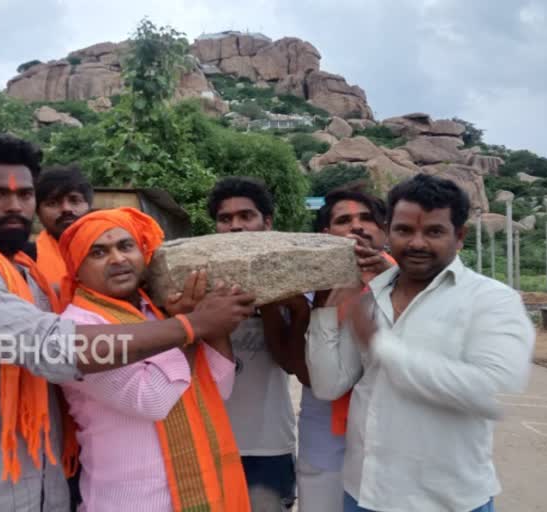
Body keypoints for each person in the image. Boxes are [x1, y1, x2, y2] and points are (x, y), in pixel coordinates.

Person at [0, 135, 255, 512]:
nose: (14, 205)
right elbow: (50, 347)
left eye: (24, 195)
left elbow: (210, 383)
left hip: (45, 482)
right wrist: (191, 326)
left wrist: (195, 325)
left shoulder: (28, 277)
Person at [306, 174, 535, 512]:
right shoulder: (370, 298)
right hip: (364, 494)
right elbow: (328, 387)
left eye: (433, 231)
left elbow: (492, 391)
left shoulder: (492, 300)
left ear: (459, 237)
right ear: (388, 231)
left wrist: (381, 345)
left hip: (448, 500)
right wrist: (328, 308)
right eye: (404, 230)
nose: (416, 243)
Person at [56, 207, 250, 511]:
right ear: (77, 269)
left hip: (202, 492)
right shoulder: (77, 328)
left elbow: (220, 387)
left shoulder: (157, 312)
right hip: (129, 502)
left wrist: (213, 325)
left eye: (125, 246)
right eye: (98, 252)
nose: (118, 259)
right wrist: (193, 325)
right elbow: (151, 400)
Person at [295, 184, 391, 512]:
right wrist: (327, 300)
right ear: (326, 234)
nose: (357, 226)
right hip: (327, 435)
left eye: (367, 218)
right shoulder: (307, 286)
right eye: (344, 221)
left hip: (394, 439)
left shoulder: (413, 283)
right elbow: (310, 374)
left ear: (385, 231)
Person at [207, 176, 296, 511]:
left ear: (266, 223)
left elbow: (292, 363)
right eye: (225, 218)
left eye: (246, 216)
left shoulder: (292, 282)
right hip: (210, 444)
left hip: (268, 445)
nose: (235, 227)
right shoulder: (197, 284)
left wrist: (269, 299)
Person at [25, 164, 93, 289]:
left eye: (74, 200)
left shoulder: (114, 251)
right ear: (38, 213)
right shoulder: (25, 259)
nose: (66, 209)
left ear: (89, 206)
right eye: (52, 203)